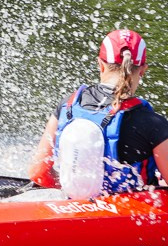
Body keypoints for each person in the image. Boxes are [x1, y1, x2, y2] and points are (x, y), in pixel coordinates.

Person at [29, 29, 168, 193]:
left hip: (74, 203)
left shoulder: (67, 105)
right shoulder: (151, 123)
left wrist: (70, 187)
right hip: (132, 207)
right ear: (143, 70)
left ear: (100, 65)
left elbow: (38, 173)